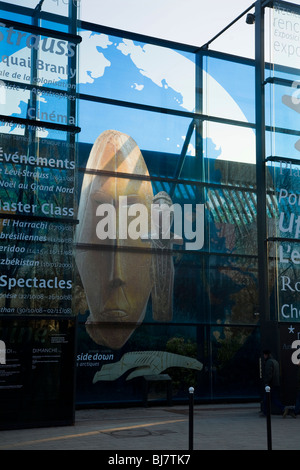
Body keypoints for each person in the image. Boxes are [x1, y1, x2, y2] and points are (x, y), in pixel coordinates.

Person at [261, 349, 288, 418]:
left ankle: (265, 413)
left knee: (265, 399)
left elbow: (268, 374)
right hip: (276, 383)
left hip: (270, 384)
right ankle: (284, 408)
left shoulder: (268, 362)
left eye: (264, 355)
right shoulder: (275, 361)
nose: (264, 356)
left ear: (266, 355)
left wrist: (266, 383)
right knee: (274, 399)